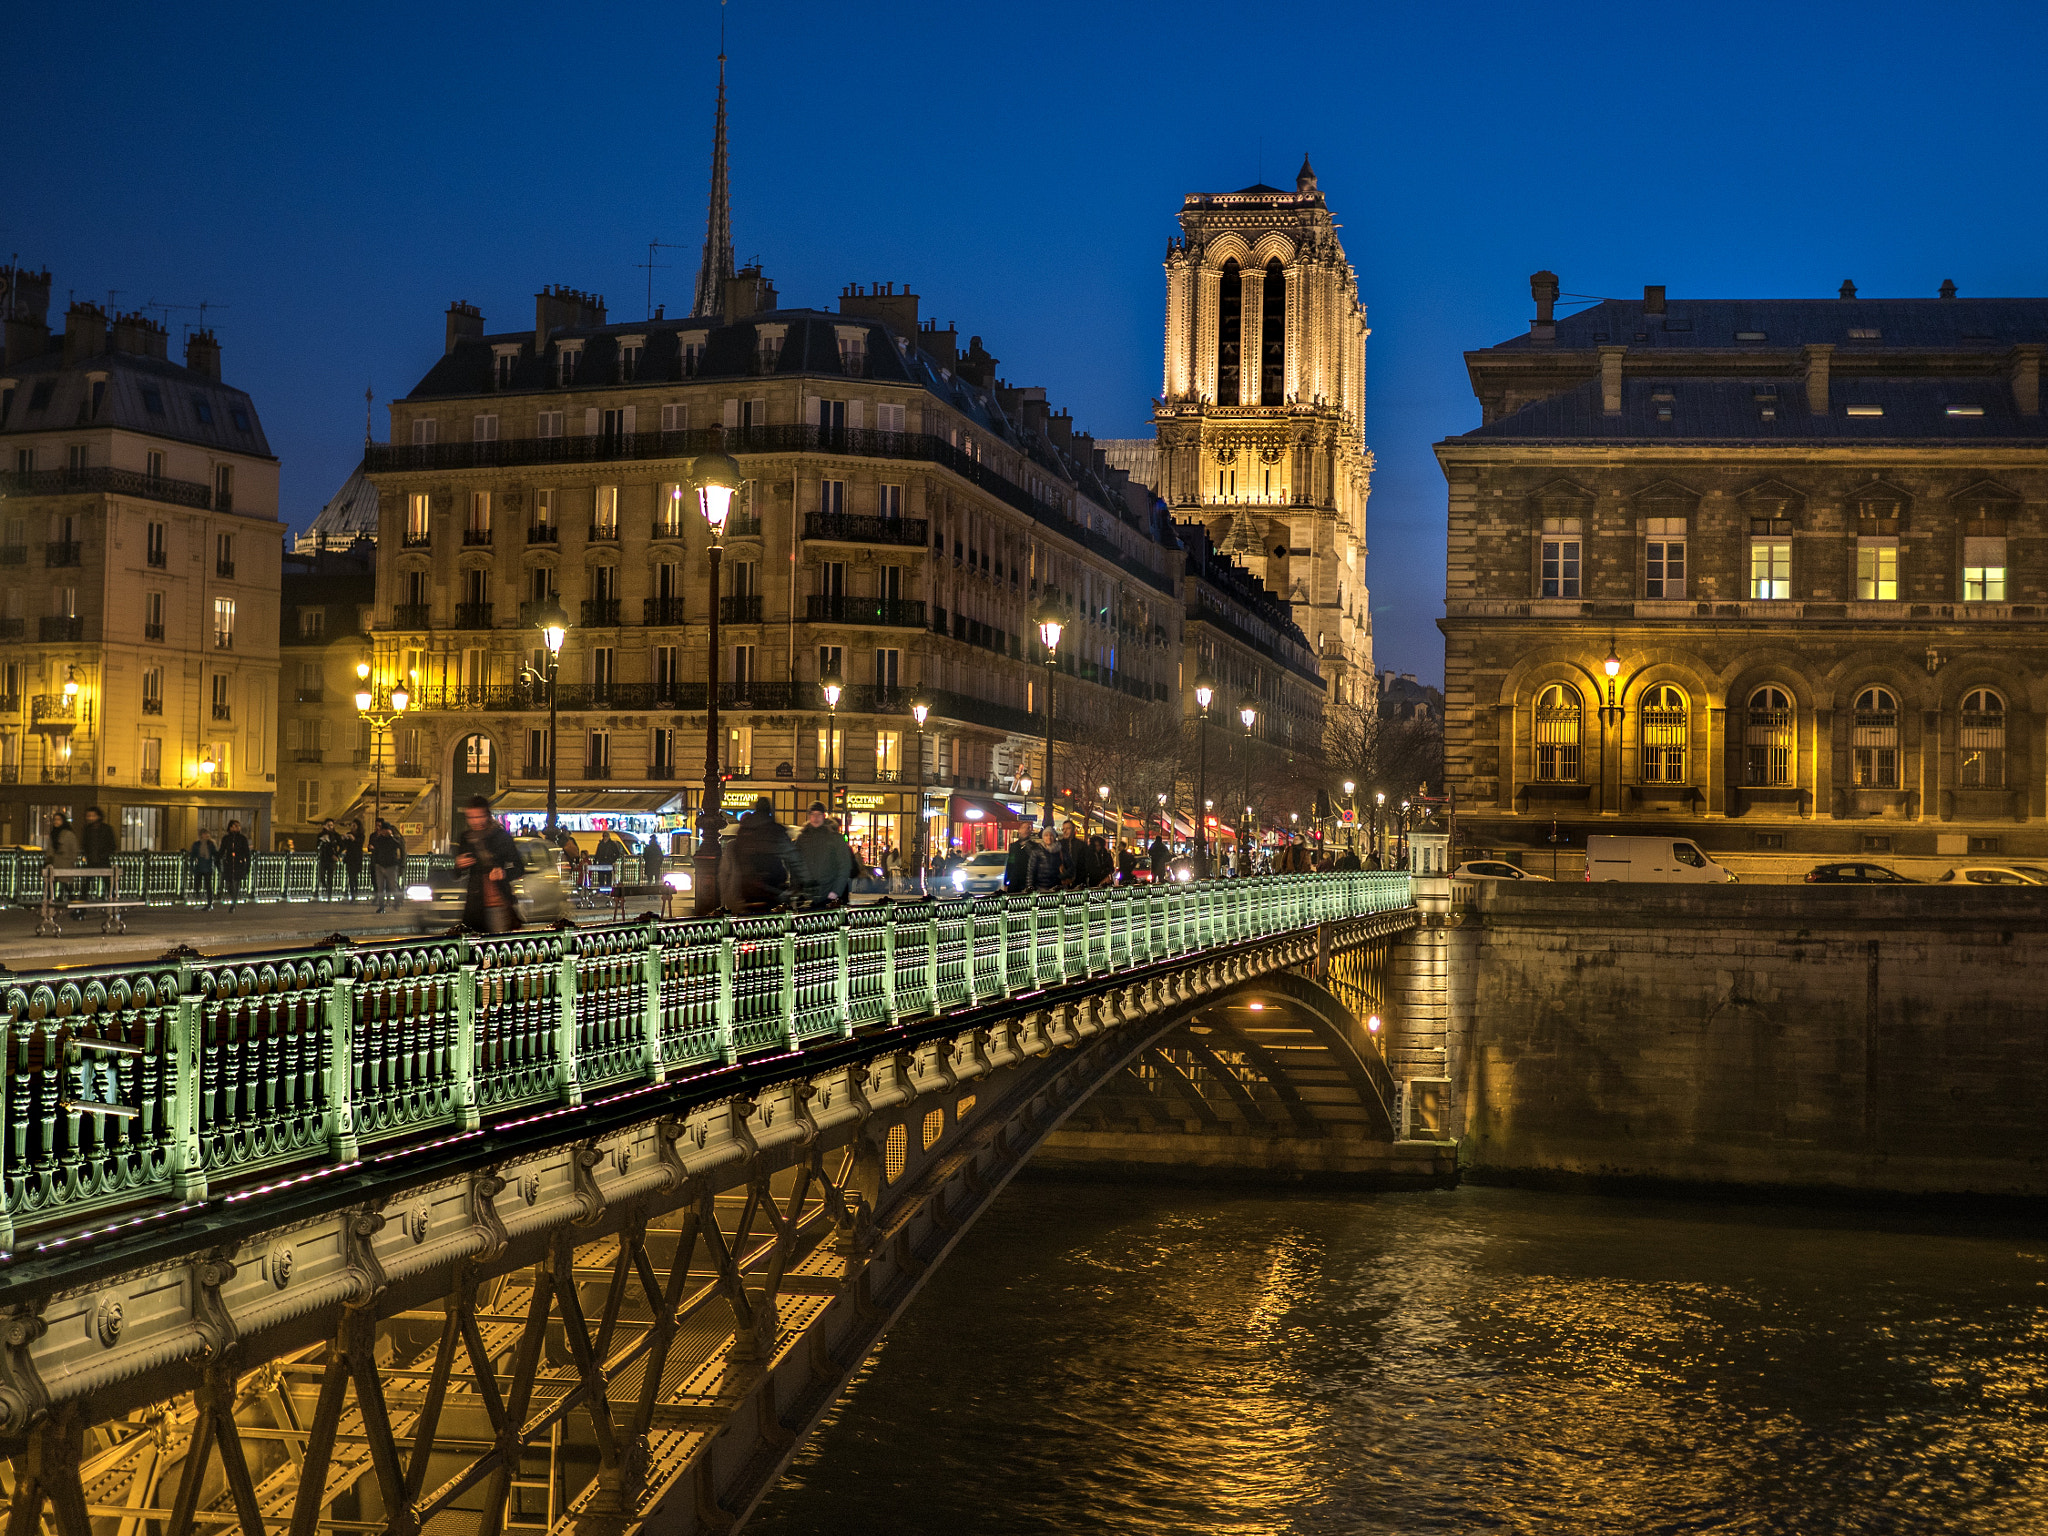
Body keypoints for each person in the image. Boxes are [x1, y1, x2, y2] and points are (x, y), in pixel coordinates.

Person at [717, 795, 810, 913]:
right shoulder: (775, 830)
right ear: (769, 810)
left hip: (746, 889)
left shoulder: (744, 831)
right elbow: (794, 857)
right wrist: (805, 881)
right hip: (772, 888)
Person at [455, 796, 526, 932]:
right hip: (475, 905)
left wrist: (503, 873)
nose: (475, 821)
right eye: (470, 817)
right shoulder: (466, 838)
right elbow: (457, 874)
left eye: (478, 817)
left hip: (498, 903)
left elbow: (519, 868)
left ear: (487, 815)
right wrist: (459, 864)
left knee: (497, 945)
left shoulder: (501, 837)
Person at [795, 801, 856, 906]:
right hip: (807, 894)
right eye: (813, 814)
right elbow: (795, 864)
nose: (815, 818)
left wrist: (836, 891)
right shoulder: (802, 838)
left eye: (819, 814)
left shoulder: (834, 838)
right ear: (809, 816)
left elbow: (844, 865)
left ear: (824, 816)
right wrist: (797, 888)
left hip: (829, 893)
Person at [369, 819, 406, 912]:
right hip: (380, 865)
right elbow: (375, 850)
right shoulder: (379, 839)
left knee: (393, 886)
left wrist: (391, 836)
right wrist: (376, 862)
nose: (382, 831)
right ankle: (381, 907)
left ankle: (397, 902)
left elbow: (399, 845)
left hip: (391, 865)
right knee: (380, 887)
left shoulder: (394, 839)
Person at [219, 819, 251, 908]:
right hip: (229, 864)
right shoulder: (226, 838)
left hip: (238, 864)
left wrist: (247, 864)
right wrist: (218, 859)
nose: (238, 828)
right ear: (230, 827)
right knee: (228, 884)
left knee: (236, 883)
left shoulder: (242, 839)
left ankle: (234, 903)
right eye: (235, 826)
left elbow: (247, 852)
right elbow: (222, 850)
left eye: (238, 826)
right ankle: (233, 899)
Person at [188, 826, 219, 908]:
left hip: (207, 867)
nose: (207, 835)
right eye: (205, 834)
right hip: (200, 867)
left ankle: (209, 901)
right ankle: (198, 897)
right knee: (197, 884)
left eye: (208, 834)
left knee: (208, 885)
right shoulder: (197, 845)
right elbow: (192, 856)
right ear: (201, 835)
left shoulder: (211, 844)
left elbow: (215, 854)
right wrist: (192, 867)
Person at [315, 818, 345, 900]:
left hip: (332, 858)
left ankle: (329, 895)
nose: (330, 827)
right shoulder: (321, 834)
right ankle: (325, 887)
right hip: (323, 857)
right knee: (321, 875)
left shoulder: (335, 835)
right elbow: (317, 845)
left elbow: (342, 846)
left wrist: (337, 854)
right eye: (328, 825)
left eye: (331, 825)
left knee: (330, 877)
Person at [1026, 826, 1064, 890]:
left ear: (1054, 837)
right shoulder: (1037, 851)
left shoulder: (1060, 850)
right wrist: (1030, 887)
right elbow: (1031, 871)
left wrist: (1063, 876)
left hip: (1057, 887)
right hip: (1040, 887)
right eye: (1046, 835)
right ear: (1043, 837)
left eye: (1051, 835)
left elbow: (1070, 866)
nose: (1049, 837)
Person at [344, 818, 366, 901]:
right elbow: (345, 845)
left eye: (354, 826)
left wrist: (353, 839)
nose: (352, 827)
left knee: (355, 877)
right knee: (350, 876)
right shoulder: (348, 834)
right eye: (351, 825)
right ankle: (352, 893)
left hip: (357, 858)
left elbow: (359, 843)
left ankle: (355, 892)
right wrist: (344, 838)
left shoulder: (361, 835)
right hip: (350, 858)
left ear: (358, 827)